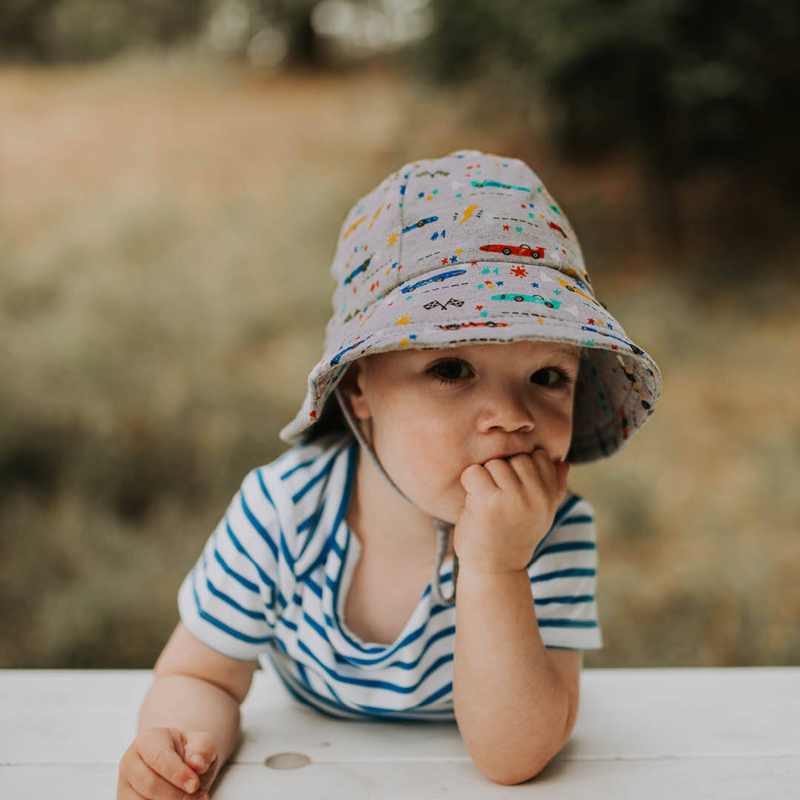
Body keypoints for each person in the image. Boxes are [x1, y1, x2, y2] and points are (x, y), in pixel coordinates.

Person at [117, 149, 661, 796]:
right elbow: (201, 676)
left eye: (547, 376)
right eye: (451, 370)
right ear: (360, 389)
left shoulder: (553, 530)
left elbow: (513, 756)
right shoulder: (284, 509)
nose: (512, 417)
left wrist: (497, 566)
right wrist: (177, 749)